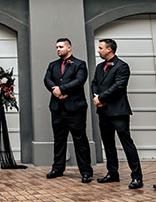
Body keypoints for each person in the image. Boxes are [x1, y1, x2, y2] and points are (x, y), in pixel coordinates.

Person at [91, 38, 142, 188]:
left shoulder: (122, 66)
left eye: (100, 48)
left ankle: (137, 177)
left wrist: (102, 97)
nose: (98, 50)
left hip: (118, 111)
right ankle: (112, 173)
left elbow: (119, 86)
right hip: (103, 111)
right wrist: (96, 96)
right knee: (108, 144)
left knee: (127, 144)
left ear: (109, 49)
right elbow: (95, 83)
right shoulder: (100, 67)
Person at [43, 37, 93, 183]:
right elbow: (47, 79)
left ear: (69, 48)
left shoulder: (80, 64)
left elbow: (79, 80)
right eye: (57, 47)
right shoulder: (53, 65)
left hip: (75, 109)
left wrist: (62, 89)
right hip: (57, 108)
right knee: (59, 140)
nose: (58, 49)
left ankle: (86, 171)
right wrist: (55, 90)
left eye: (60, 47)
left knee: (80, 140)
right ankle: (58, 168)